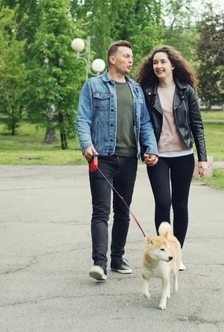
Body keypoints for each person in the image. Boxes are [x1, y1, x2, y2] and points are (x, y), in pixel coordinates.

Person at [76, 40, 159, 281]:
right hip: (102, 157)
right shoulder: (93, 86)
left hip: (129, 158)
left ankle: (117, 258)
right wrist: (86, 145)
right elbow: (83, 119)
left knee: (123, 211)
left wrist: (150, 148)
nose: (131, 60)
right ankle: (99, 263)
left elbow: (144, 124)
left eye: (132, 56)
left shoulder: (136, 89)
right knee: (101, 211)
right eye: (126, 56)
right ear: (112, 59)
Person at [135, 45, 208, 271]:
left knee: (180, 205)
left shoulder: (186, 91)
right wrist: (144, 150)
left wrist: (202, 158)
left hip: (184, 155)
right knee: (163, 203)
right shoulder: (147, 91)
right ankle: (162, 251)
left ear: (172, 65)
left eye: (163, 62)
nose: (159, 66)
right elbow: (139, 124)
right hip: (158, 156)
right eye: (155, 62)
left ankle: (177, 254)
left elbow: (197, 124)